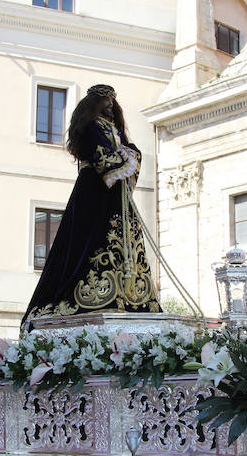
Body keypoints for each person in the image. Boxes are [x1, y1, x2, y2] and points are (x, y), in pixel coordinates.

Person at [22, 84, 161, 326]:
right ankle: (92, 294)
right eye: (105, 101)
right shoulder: (89, 127)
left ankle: (130, 296)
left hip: (116, 194)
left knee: (124, 241)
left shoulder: (114, 129)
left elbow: (129, 152)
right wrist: (126, 156)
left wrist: (130, 154)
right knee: (89, 242)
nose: (109, 105)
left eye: (112, 101)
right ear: (94, 104)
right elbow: (102, 156)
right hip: (94, 191)